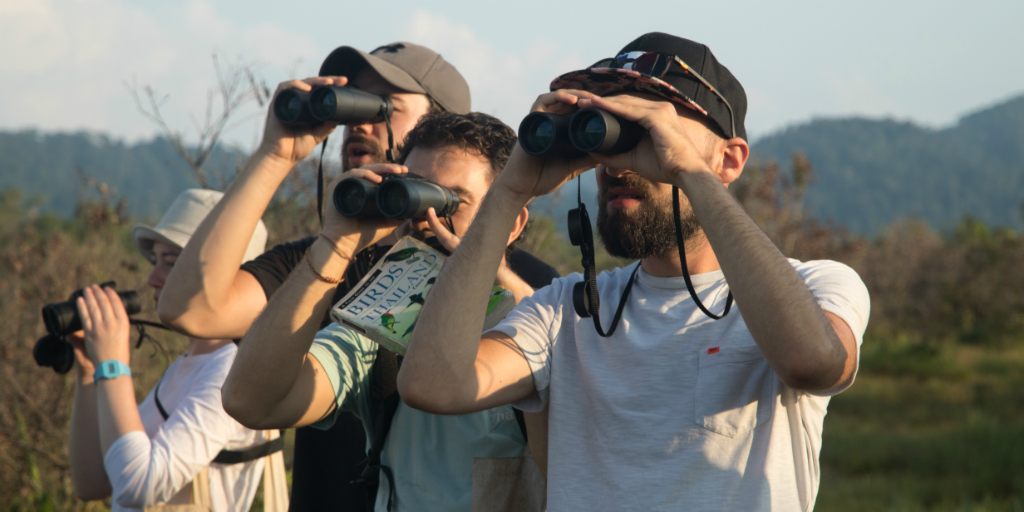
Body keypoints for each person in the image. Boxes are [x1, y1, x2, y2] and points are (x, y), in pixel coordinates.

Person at [398, 32, 872, 511]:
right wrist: (506, 194)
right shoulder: (565, 311)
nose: (618, 164)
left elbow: (813, 363)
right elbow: (432, 384)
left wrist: (688, 171)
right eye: (609, 125)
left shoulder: (818, 286)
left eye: (647, 126)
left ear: (729, 160)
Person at [156, 42, 483, 510]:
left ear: (442, 127)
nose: (361, 122)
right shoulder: (316, 265)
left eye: (386, 106)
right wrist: (275, 153)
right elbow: (188, 308)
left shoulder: (500, 278)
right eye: (356, 102)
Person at [219, 110, 555, 511]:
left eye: (452, 201)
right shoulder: (386, 318)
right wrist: (334, 244)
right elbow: (249, 402)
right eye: (415, 193)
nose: (427, 219)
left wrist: (494, 275)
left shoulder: (546, 321)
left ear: (512, 224)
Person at [67, 189, 282, 511]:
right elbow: (93, 483)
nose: (152, 278)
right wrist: (89, 369)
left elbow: (140, 488)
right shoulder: (192, 364)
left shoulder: (233, 370)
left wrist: (113, 364)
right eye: (155, 261)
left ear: (226, 274)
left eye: (170, 264)